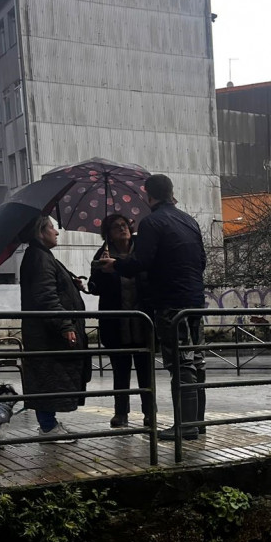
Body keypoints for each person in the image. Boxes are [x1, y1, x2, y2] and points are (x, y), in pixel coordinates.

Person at [100, 174, 206, 441]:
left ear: (149, 195)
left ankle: (186, 426)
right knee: (196, 361)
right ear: (171, 192)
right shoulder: (189, 220)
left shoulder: (152, 222)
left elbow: (142, 262)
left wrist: (116, 265)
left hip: (170, 302)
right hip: (195, 300)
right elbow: (201, 260)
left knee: (180, 364)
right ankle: (197, 422)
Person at [19, 215, 91, 435]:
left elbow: (51, 289)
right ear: (40, 232)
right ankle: (48, 427)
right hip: (47, 335)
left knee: (48, 378)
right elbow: (46, 296)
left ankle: (49, 424)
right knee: (48, 378)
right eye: (52, 227)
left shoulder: (41, 256)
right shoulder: (40, 257)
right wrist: (65, 326)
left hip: (45, 333)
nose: (56, 232)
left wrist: (71, 283)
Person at [89, 213, 154, 429]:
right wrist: (103, 270)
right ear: (108, 234)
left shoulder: (142, 251)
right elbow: (94, 288)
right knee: (120, 369)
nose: (122, 229)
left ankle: (149, 413)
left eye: (124, 225)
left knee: (146, 369)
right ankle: (121, 413)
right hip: (116, 323)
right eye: (116, 227)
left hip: (143, 320)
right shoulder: (103, 254)